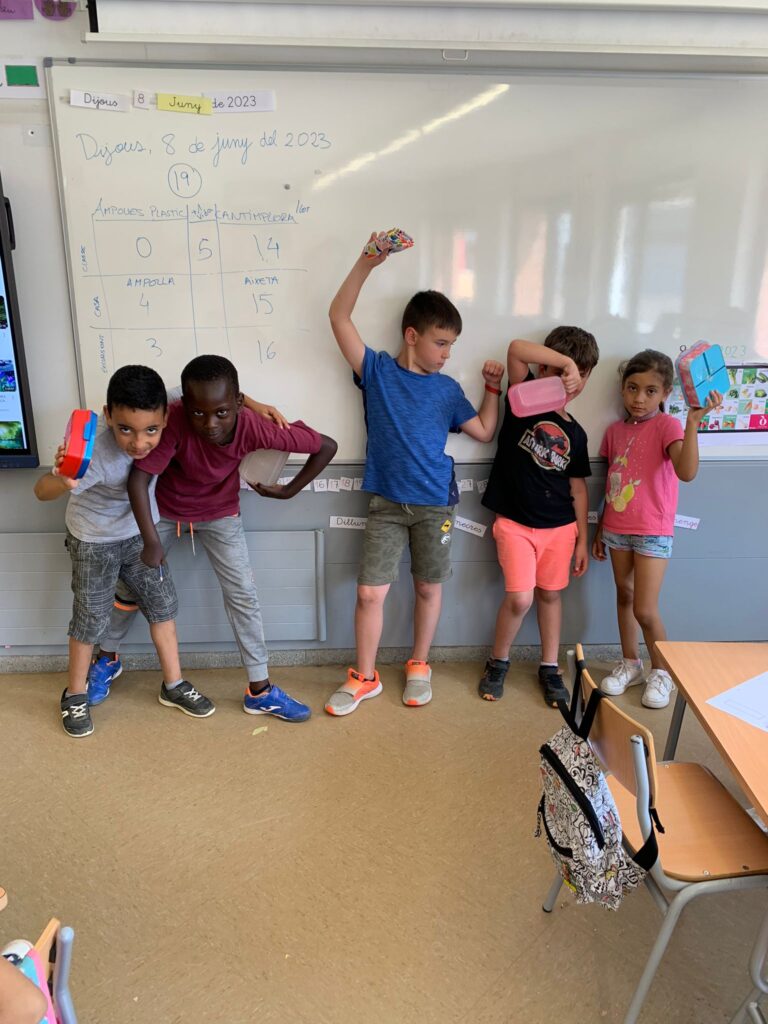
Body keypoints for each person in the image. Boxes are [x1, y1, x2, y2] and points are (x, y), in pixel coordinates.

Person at [95, 354, 337, 723]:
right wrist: (151, 541)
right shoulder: (174, 418)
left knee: (243, 594)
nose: (209, 424)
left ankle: (260, 691)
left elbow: (326, 446)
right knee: (130, 586)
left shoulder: (254, 426)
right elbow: (138, 481)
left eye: (221, 413)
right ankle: (107, 658)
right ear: (184, 405)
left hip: (221, 513)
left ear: (238, 404)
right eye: (198, 413)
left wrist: (290, 490)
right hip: (166, 511)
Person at [324, 231, 504, 716]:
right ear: (411, 336)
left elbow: (484, 431)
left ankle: (419, 664)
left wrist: (492, 389)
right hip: (386, 503)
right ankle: (365, 677)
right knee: (369, 592)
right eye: (440, 342)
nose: (447, 353)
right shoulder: (377, 371)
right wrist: (367, 262)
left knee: (428, 586)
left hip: (435, 503)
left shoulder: (447, 390)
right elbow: (338, 317)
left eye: (452, 345)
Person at [33, 365, 216, 738]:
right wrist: (61, 479)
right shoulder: (96, 454)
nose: (139, 443)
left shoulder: (168, 403)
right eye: (125, 429)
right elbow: (40, 492)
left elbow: (201, 390)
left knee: (163, 605)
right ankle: (75, 694)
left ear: (166, 417)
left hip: (139, 533)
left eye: (151, 430)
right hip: (93, 541)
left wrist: (256, 405)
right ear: (108, 416)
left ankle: (173, 684)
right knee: (90, 619)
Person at [592, 349, 721, 709]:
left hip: (652, 530)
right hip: (616, 528)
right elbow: (613, 483)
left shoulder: (668, 426)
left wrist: (692, 423)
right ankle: (631, 663)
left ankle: (662, 672)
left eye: (650, 391)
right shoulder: (614, 431)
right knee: (624, 596)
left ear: (665, 393)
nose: (639, 398)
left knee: (645, 610)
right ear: (623, 388)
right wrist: (600, 528)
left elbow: (686, 472)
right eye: (632, 388)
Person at [478, 327, 600, 706]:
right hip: (515, 524)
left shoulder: (576, 434)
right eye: (560, 372)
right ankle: (498, 661)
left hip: (560, 528)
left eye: (578, 375)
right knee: (520, 598)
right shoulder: (523, 400)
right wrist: (564, 364)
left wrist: (582, 540)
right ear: (543, 369)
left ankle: (549, 667)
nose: (569, 381)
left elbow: (578, 489)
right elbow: (516, 348)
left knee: (550, 595)